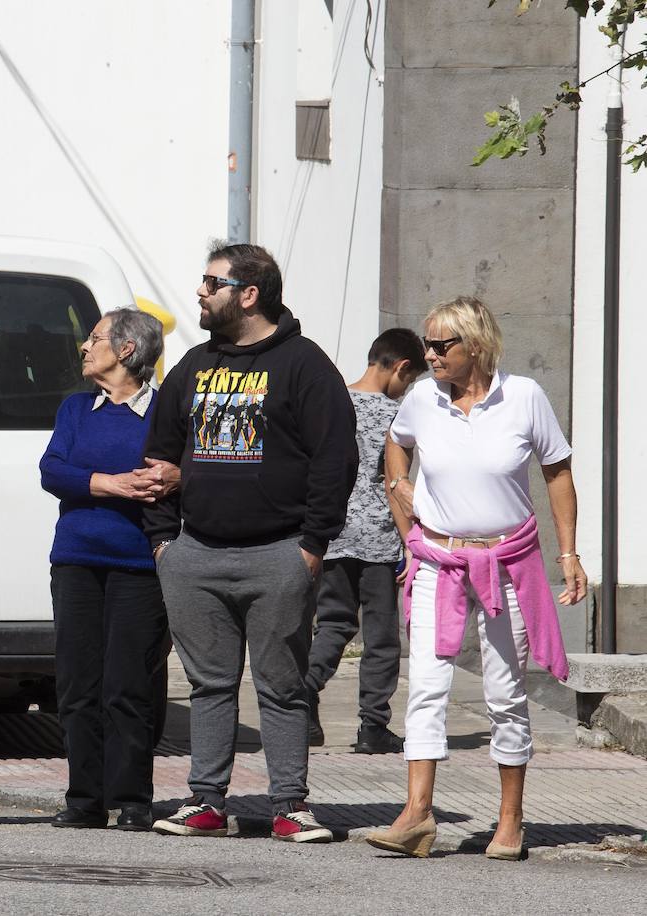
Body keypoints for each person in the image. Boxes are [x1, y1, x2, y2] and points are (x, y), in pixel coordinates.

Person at [144, 242, 358, 844]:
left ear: (249, 293)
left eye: (211, 283)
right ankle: (206, 802)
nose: (199, 293)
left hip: (278, 555)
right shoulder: (191, 365)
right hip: (195, 556)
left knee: (281, 688)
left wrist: (312, 545)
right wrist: (165, 542)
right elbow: (158, 455)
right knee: (209, 685)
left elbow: (335, 460)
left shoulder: (304, 365)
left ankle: (291, 806)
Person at [366, 297, 585, 861]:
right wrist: (400, 492)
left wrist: (568, 554)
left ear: (477, 347)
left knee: (505, 692)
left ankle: (510, 820)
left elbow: (557, 473)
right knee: (427, 688)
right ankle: (417, 814)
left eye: (443, 346)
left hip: (506, 563)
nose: (430, 355)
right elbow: (396, 445)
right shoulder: (421, 398)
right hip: (438, 560)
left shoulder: (525, 398)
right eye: (427, 345)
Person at [38, 308, 176, 831]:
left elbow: (175, 476)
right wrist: (112, 484)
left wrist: (171, 479)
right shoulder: (76, 408)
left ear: (124, 351)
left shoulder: (163, 413)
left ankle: (134, 798)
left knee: (131, 683)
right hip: (76, 561)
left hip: (140, 564)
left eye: (94, 338)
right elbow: (54, 470)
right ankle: (83, 799)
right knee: (77, 684)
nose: (83, 347)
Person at [305, 328, 427, 753]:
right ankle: (373, 727)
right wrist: (410, 541)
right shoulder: (396, 414)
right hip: (378, 538)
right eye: (408, 381)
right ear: (401, 367)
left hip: (332, 535)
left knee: (333, 624)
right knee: (381, 637)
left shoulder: (332, 403)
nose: (405, 389)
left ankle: (304, 694)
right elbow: (396, 483)